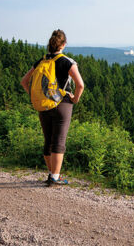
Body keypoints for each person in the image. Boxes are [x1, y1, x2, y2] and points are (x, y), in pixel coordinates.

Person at [20, 29, 85, 186]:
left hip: (43, 105)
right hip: (61, 104)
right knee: (59, 140)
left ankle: (51, 174)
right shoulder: (67, 61)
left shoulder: (41, 61)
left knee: (48, 139)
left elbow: (24, 81)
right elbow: (80, 85)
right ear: (63, 44)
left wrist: (35, 95)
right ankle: (55, 177)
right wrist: (75, 99)